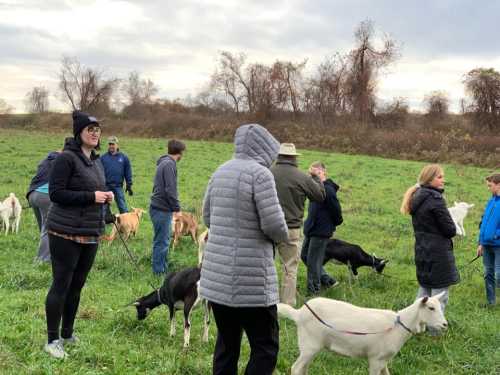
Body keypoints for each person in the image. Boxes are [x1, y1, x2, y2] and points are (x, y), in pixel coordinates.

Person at [200, 124, 288, 375]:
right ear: (265, 148)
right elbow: (274, 225)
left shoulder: (220, 171)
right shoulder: (261, 175)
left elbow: (208, 216)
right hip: (252, 282)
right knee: (265, 347)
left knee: (227, 346)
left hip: (218, 280)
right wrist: (282, 237)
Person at [44, 110, 113, 359]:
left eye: (98, 130)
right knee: (61, 285)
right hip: (64, 232)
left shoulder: (95, 161)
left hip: (90, 231)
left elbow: (97, 190)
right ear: (79, 133)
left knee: (77, 286)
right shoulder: (66, 159)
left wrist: (106, 201)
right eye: (90, 129)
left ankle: (67, 334)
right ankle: (52, 340)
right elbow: (56, 193)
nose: (95, 133)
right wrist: (91, 196)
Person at [270, 143, 325, 306]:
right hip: (291, 229)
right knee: (289, 269)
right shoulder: (302, 177)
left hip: (267, 228)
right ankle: (286, 305)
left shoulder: (267, 172)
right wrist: (316, 178)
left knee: (266, 267)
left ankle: (266, 301)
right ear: (294, 157)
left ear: (279, 156)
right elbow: (320, 196)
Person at [400, 164, 458, 315]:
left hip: (422, 250)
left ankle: (411, 323)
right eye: (439, 177)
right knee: (439, 297)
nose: (443, 180)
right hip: (438, 253)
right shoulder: (435, 199)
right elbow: (450, 230)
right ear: (429, 179)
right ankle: (435, 333)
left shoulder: (417, 196)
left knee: (424, 293)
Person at [301, 161, 343, 295]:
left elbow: (337, 211)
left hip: (321, 231)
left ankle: (313, 292)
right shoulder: (314, 188)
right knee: (304, 256)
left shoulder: (328, 190)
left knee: (313, 261)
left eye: (316, 173)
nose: (313, 176)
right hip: (311, 229)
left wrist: (331, 225)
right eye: (311, 173)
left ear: (323, 172)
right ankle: (328, 281)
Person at [150, 139, 185, 275]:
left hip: (158, 207)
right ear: (179, 152)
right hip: (162, 209)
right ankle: (159, 272)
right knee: (162, 242)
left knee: (162, 240)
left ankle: (163, 267)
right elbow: (170, 190)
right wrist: (177, 208)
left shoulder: (163, 162)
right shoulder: (170, 164)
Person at [26, 149, 61, 262]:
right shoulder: (60, 161)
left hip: (32, 194)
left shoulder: (45, 160)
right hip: (45, 195)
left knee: (43, 228)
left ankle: (49, 254)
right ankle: (43, 259)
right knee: (48, 229)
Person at [476, 173, 500, 307]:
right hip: (487, 245)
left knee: (498, 275)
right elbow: (484, 223)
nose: (488, 188)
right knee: (488, 274)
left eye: (490, 186)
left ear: (499, 185)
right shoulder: (491, 202)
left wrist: (495, 235)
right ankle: (491, 302)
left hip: (499, 245)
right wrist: (481, 243)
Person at [100, 136, 133, 213]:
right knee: (104, 207)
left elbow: (128, 172)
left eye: (113, 144)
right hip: (106, 186)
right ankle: (105, 222)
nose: (111, 146)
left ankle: (126, 222)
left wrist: (129, 184)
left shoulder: (124, 158)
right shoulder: (103, 158)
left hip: (118, 186)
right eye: (110, 144)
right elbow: (99, 172)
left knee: (122, 206)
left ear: (117, 145)